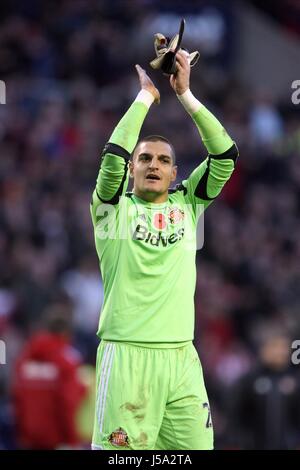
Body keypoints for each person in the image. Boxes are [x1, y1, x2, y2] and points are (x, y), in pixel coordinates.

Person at [90, 50, 238, 450]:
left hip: (181, 359)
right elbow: (110, 159)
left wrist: (185, 95)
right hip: (127, 357)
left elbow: (225, 155)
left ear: (175, 173)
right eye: (144, 159)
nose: (153, 164)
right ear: (131, 170)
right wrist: (145, 98)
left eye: (163, 160)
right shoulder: (111, 212)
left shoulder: (188, 204)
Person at [12, 301, 87, 449]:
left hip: (28, 439)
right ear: (66, 332)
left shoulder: (25, 358)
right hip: (57, 440)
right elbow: (68, 403)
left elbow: (17, 400)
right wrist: (72, 440)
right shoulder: (66, 361)